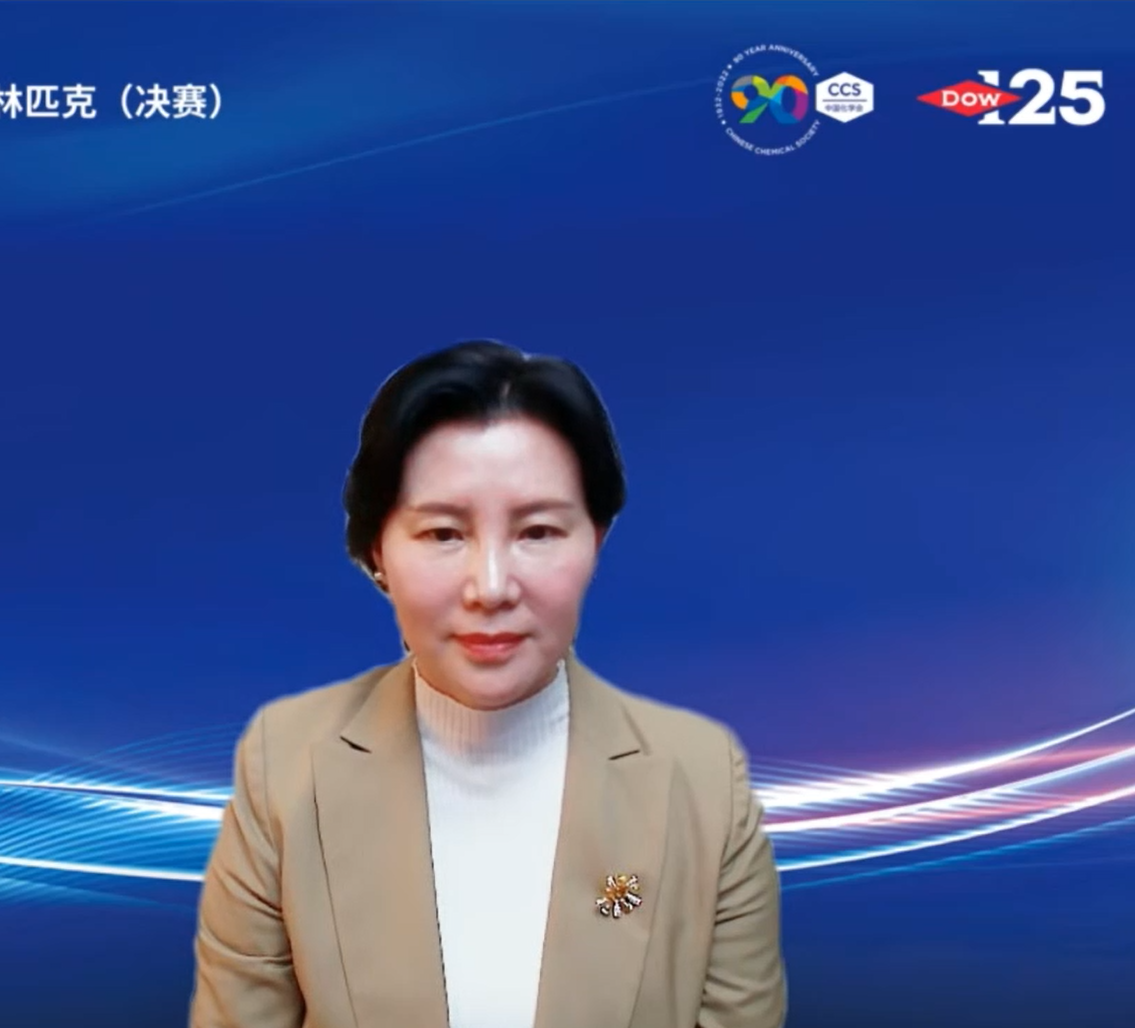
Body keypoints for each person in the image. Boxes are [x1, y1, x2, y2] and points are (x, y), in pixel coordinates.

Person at [190, 340, 786, 1028]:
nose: (492, 587)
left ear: (596, 539)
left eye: (538, 531)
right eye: (444, 533)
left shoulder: (702, 781)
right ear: (377, 550)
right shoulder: (285, 767)